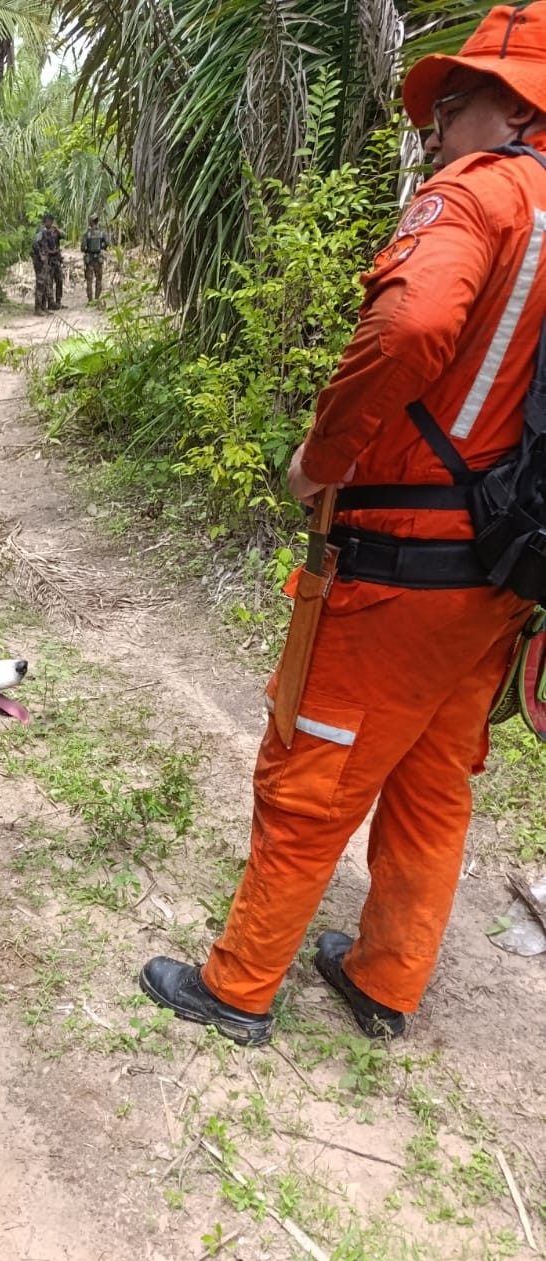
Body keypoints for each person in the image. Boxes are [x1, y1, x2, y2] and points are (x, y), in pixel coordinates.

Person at [137, 0, 544, 1047]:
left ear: (500, 104)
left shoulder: (484, 194)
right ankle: (384, 978)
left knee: (310, 776)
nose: (433, 131)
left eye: (443, 107)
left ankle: (236, 986)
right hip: (504, 576)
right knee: (430, 782)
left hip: (397, 570)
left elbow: (409, 322)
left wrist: (321, 459)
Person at [81, 213, 110, 302]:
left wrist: (87, 250)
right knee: (99, 279)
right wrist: (101, 246)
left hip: (89, 259)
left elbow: (82, 248)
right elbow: (108, 244)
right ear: (97, 221)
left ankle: (90, 300)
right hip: (98, 259)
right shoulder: (102, 233)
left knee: (89, 280)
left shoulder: (87, 233)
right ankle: (97, 299)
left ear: (91, 221)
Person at [43, 216, 64, 310]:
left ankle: (58, 301)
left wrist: (57, 229)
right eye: (49, 221)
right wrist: (51, 252)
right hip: (48, 261)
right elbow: (41, 247)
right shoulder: (43, 232)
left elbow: (64, 235)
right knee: (49, 282)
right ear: (45, 222)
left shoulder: (55, 232)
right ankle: (51, 302)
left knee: (59, 280)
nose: (50, 222)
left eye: (52, 221)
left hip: (56, 260)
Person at [30, 216, 51, 315]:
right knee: (41, 283)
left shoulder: (45, 231)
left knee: (45, 283)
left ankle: (43, 307)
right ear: (46, 221)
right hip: (40, 262)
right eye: (50, 222)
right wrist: (40, 255)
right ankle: (38, 308)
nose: (51, 224)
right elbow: (34, 243)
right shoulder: (41, 230)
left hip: (44, 262)